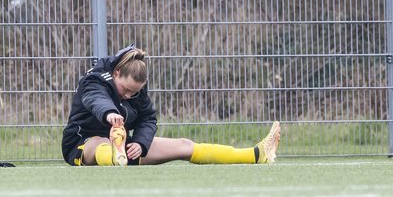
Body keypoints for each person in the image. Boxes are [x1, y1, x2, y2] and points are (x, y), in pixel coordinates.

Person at [61, 45, 280, 167]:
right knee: (103, 143)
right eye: (125, 90)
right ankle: (114, 156)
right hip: (82, 144)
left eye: (134, 92)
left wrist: (141, 144)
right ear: (117, 73)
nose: (129, 96)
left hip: (126, 148)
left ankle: (256, 154)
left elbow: (147, 118)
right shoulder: (95, 79)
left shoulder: (136, 92)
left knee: (184, 145)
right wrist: (110, 114)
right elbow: (95, 99)